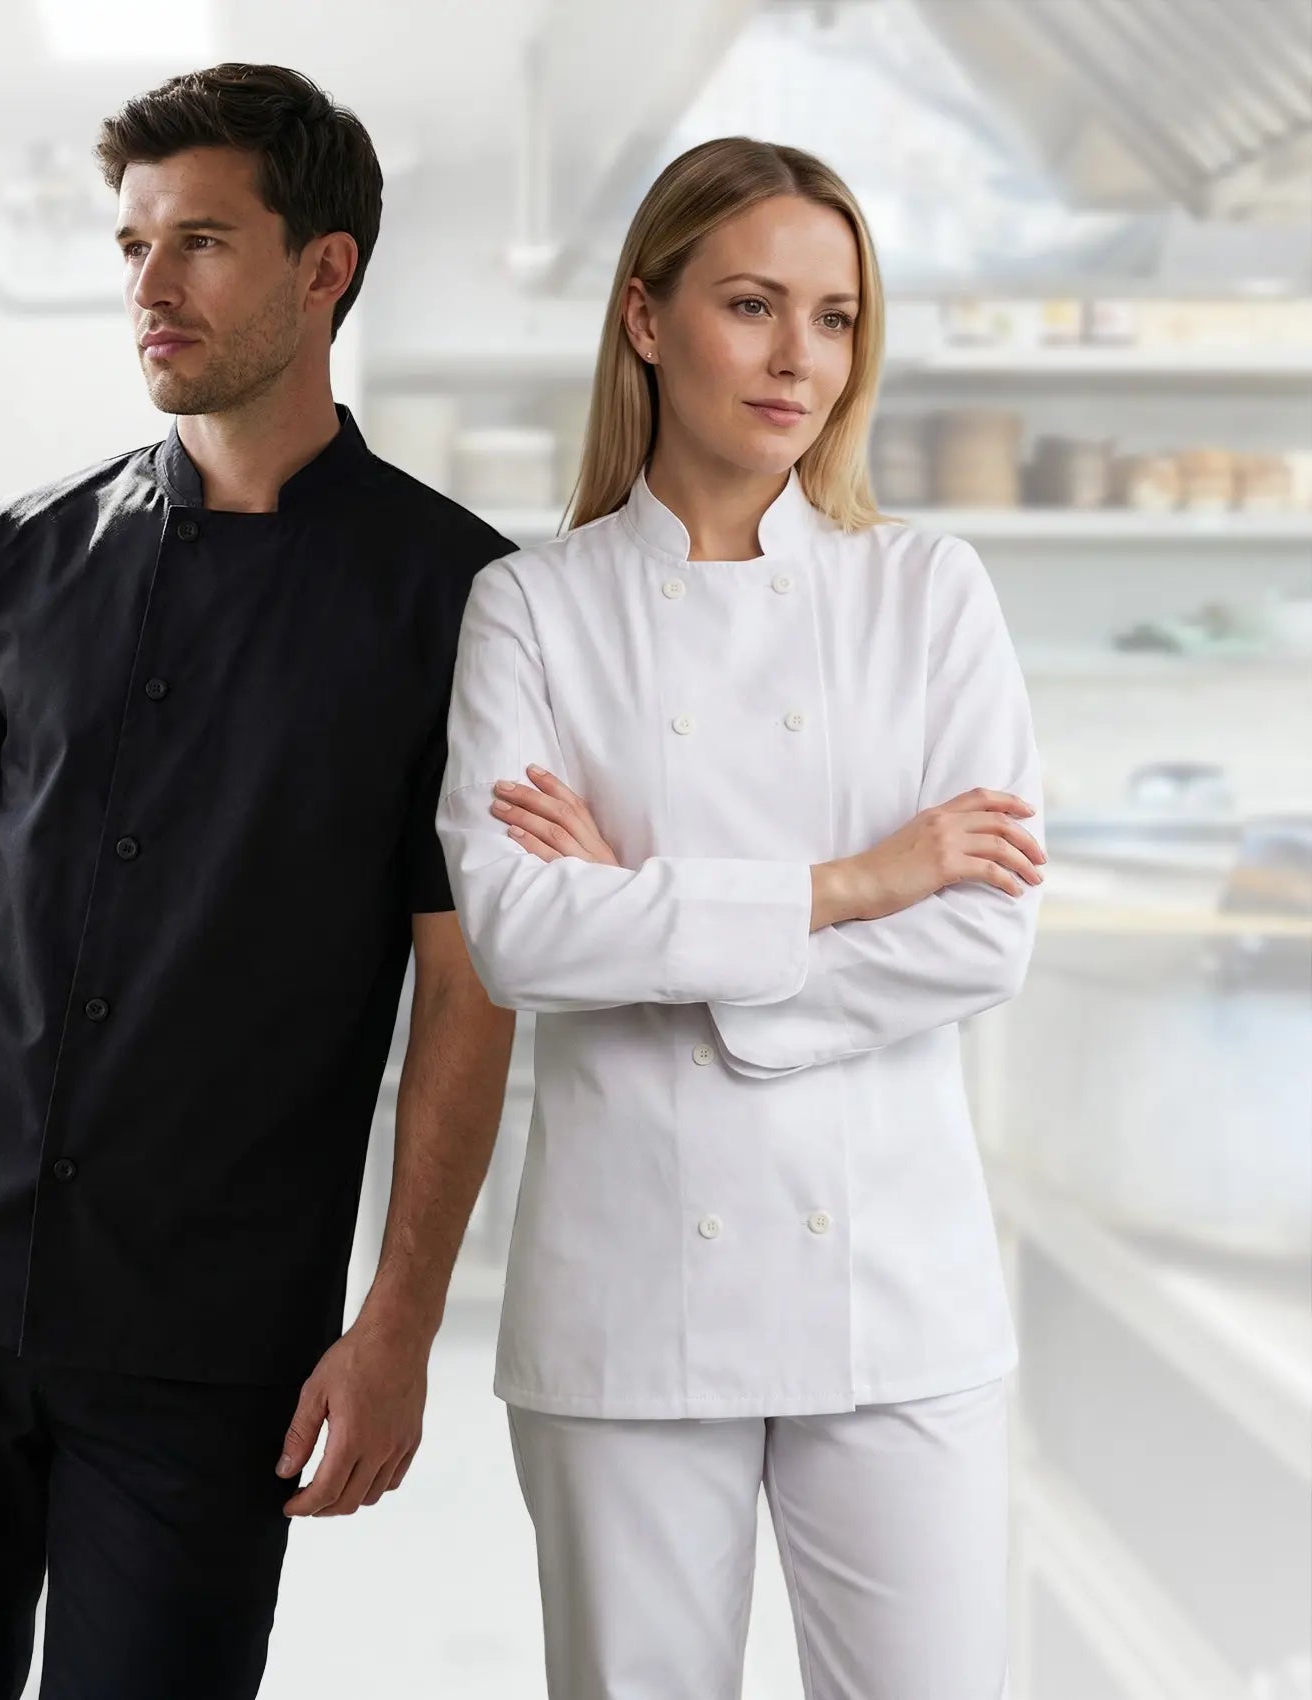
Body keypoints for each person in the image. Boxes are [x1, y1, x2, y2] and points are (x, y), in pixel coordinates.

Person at [0, 63, 517, 1699]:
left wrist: (399, 1325)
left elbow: (469, 985)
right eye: (133, 243)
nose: (150, 288)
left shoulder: (461, 605)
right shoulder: (18, 559)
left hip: (208, 1340)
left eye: (204, 242)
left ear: (327, 269)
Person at [435, 136, 1047, 1700]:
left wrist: (658, 939)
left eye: (836, 318)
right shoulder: (532, 605)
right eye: (755, 305)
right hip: (631, 1294)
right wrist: (853, 885)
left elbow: (984, 934)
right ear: (647, 318)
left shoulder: (930, 593)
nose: (801, 360)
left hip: (897, 1290)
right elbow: (517, 934)